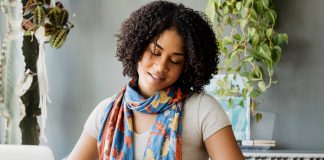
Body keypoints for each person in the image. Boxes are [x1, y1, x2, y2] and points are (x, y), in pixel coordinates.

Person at [67, 1, 244, 160]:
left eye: (175, 60)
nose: (161, 67)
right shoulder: (105, 112)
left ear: (187, 65)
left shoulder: (202, 110)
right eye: (155, 52)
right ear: (137, 47)